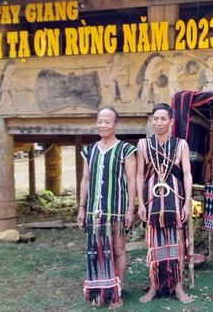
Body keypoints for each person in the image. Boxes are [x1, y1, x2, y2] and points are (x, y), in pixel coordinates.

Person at [77, 106, 137, 309]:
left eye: (107, 121)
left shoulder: (125, 150)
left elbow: (131, 181)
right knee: (96, 251)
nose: (102, 125)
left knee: (118, 251)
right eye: (100, 121)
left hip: (116, 211)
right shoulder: (89, 151)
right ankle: (100, 291)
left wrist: (130, 209)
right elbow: (85, 181)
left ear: (115, 124)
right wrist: (81, 208)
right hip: (94, 212)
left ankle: (116, 291)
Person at [136, 103, 193, 304]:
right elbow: (139, 175)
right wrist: (141, 204)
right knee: (154, 243)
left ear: (171, 122)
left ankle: (178, 287)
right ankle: (154, 286)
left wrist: (187, 202)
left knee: (176, 243)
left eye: (163, 119)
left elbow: (187, 174)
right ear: (152, 121)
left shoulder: (181, 145)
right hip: (152, 201)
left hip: (175, 201)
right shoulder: (143, 145)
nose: (159, 123)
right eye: (155, 119)